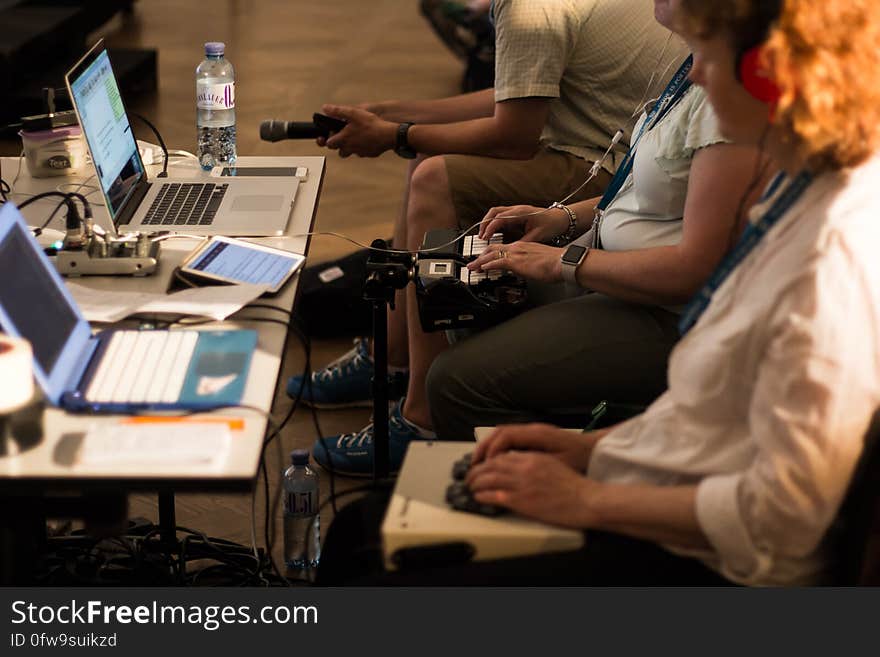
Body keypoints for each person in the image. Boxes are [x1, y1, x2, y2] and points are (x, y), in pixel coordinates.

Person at [319, 0, 880, 586]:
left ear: (766, 74)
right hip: (660, 481)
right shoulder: (797, 189)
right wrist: (590, 452)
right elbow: (711, 414)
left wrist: (583, 498)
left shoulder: (829, 264)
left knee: (364, 550)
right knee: (363, 529)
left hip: (709, 559)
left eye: (709, 59)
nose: (694, 75)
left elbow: (780, 521)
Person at [307, 0, 766, 475]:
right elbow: (649, 193)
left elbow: (515, 132)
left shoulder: (723, 98)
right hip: (608, 247)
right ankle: (402, 368)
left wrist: (562, 262)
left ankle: (446, 436)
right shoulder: (695, 67)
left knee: (453, 371)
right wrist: (564, 219)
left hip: (662, 306)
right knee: (461, 295)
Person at [288, 0, 686, 408]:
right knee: (426, 165)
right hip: (620, 159)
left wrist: (396, 135)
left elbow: (514, 135)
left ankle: (420, 409)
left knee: (434, 177)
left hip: (609, 169)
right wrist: (390, 117)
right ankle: (392, 357)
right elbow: (516, 93)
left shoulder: (526, 7)